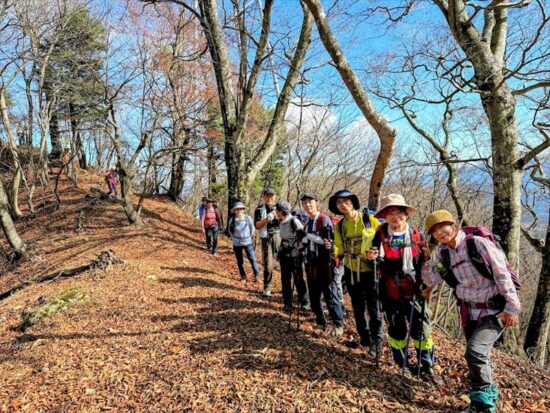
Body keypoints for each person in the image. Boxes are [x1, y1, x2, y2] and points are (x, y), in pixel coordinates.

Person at [420, 210, 521, 413]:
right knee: (478, 356)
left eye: (443, 226)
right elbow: (431, 279)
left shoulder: (477, 244)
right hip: (470, 311)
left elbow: (501, 274)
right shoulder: (443, 253)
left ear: (453, 225)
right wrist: (427, 260)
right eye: (435, 231)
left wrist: (512, 308)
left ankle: (483, 405)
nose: (440, 232)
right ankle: (486, 396)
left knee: (475, 352)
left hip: (495, 310)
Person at [366, 194, 437, 380]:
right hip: (389, 287)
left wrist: (427, 263)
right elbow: (373, 253)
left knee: (420, 327)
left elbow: (426, 262)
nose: (395, 217)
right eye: (390, 213)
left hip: (414, 287)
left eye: (399, 212)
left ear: (406, 214)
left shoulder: (416, 234)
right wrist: (371, 257)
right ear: (385, 216)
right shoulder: (381, 233)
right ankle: (401, 362)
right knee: (396, 327)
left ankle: (426, 365)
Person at [330, 189, 382, 354]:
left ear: (353, 203)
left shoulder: (369, 219)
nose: (343, 205)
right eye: (339, 203)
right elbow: (338, 248)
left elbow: (382, 238)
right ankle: (364, 338)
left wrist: (376, 253)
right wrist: (332, 250)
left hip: (370, 269)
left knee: (374, 307)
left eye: (346, 201)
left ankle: (377, 341)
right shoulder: (340, 226)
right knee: (357, 306)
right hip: (351, 269)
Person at [301, 193, 345, 336]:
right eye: (305, 203)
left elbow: (327, 241)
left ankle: (338, 324)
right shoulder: (307, 222)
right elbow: (305, 242)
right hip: (310, 264)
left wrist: (308, 236)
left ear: (317, 203)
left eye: (310, 202)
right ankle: (320, 321)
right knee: (314, 296)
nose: (308, 205)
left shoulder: (324, 219)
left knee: (330, 296)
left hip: (325, 264)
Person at [274, 200, 309, 313]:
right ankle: (287, 303)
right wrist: (279, 252)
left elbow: (303, 239)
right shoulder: (281, 222)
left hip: (295, 255)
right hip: (284, 255)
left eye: (276, 210)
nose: (275, 212)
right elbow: (283, 239)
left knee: (298, 279)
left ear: (281, 211)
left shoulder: (294, 221)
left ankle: (305, 302)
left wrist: (295, 248)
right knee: (285, 279)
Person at [254, 188, 281, 297]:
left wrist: (277, 215)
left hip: (279, 236)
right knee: (268, 264)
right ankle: (267, 287)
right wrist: (267, 219)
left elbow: (285, 221)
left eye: (271, 196)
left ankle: (286, 287)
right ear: (263, 197)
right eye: (267, 196)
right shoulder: (259, 209)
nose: (269, 198)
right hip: (266, 237)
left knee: (284, 262)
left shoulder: (280, 207)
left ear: (275, 197)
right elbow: (257, 225)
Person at [228, 202, 260, 283]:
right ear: (234, 211)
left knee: (252, 259)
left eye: (240, 209)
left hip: (247, 242)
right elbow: (230, 230)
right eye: (237, 209)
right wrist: (235, 237)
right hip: (236, 243)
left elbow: (252, 228)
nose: (239, 211)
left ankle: (256, 275)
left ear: (243, 210)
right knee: (240, 260)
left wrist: (248, 237)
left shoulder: (248, 218)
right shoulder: (232, 220)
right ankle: (243, 276)